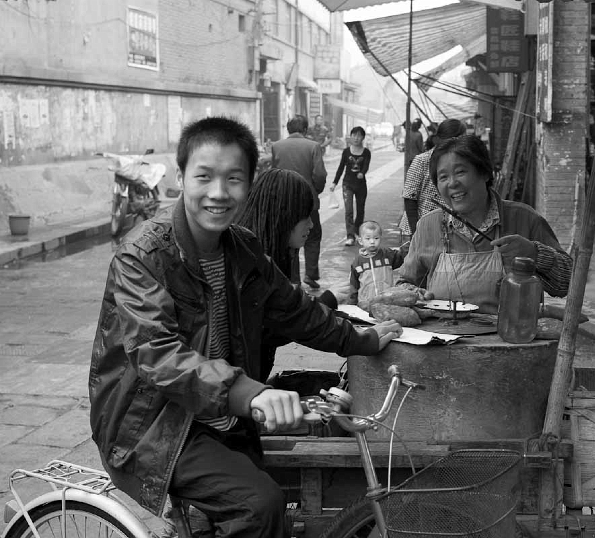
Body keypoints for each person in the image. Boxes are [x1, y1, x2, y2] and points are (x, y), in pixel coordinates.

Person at [88, 116, 402, 538]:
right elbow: (157, 354)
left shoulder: (244, 249)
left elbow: (297, 311)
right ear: (181, 178)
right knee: (261, 506)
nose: (219, 193)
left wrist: (360, 338)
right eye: (205, 177)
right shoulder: (142, 256)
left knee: (273, 503)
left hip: (223, 417)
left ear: (249, 184)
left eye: (233, 179)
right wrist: (251, 393)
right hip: (154, 425)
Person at [396, 134, 573, 314]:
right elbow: (404, 283)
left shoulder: (525, 218)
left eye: (460, 172)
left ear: (485, 173)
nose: (452, 183)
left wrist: (534, 253)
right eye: (443, 177)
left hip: (512, 338)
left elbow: (567, 283)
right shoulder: (428, 225)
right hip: (443, 337)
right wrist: (413, 294)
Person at [271, 114, 326, 289]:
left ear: (288, 129)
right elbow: (320, 174)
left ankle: (293, 278)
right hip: (308, 201)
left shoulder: (276, 146)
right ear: (305, 129)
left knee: (288, 237)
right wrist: (315, 190)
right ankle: (310, 274)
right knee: (312, 236)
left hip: (284, 201)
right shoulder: (313, 146)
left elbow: (273, 173)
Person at [237, 168, 314, 283]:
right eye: (305, 216)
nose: (311, 225)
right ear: (283, 216)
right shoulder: (251, 270)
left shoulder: (268, 257)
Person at [399, 119, 467, 240]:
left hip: (447, 227)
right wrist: (417, 232)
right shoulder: (422, 161)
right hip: (419, 225)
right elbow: (409, 198)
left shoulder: (461, 162)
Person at [331, 126, 372, 246]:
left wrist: (362, 173)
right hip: (347, 184)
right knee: (348, 210)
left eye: (359, 136)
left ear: (363, 138)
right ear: (351, 136)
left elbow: (366, 166)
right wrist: (334, 183)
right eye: (354, 135)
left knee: (360, 210)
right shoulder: (346, 152)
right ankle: (350, 236)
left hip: (361, 185)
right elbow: (340, 168)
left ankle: (356, 231)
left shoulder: (366, 152)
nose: (356, 138)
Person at [349, 221, 405, 305]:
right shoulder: (357, 262)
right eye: (368, 238)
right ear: (360, 241)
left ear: (380, 238)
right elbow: (354, 285)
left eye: (376, 238)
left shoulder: (387, 254)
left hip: (387, 301)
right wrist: (352, 303)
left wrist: (406, 249)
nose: (372, 241)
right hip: (365, 303)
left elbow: (402, 259)